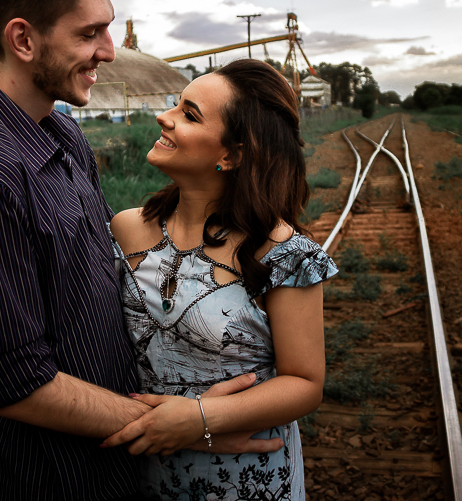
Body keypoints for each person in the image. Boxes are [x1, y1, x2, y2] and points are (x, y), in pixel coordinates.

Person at [0, 0, 273, 501]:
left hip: (115, 462)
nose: (109, 51)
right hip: (58, 478)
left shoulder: (60, 131)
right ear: (23, 39)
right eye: (89, 33)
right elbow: (12, 382)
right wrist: (177, 428)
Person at [104, 59, 338, 500]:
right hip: (140, 471)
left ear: (231, 154)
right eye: (176, 104)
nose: (164, 116)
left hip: (246, 478)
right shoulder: (125, 228)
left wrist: (200, 419)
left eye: (189, 114)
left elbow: (305, 384)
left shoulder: (283, 254)